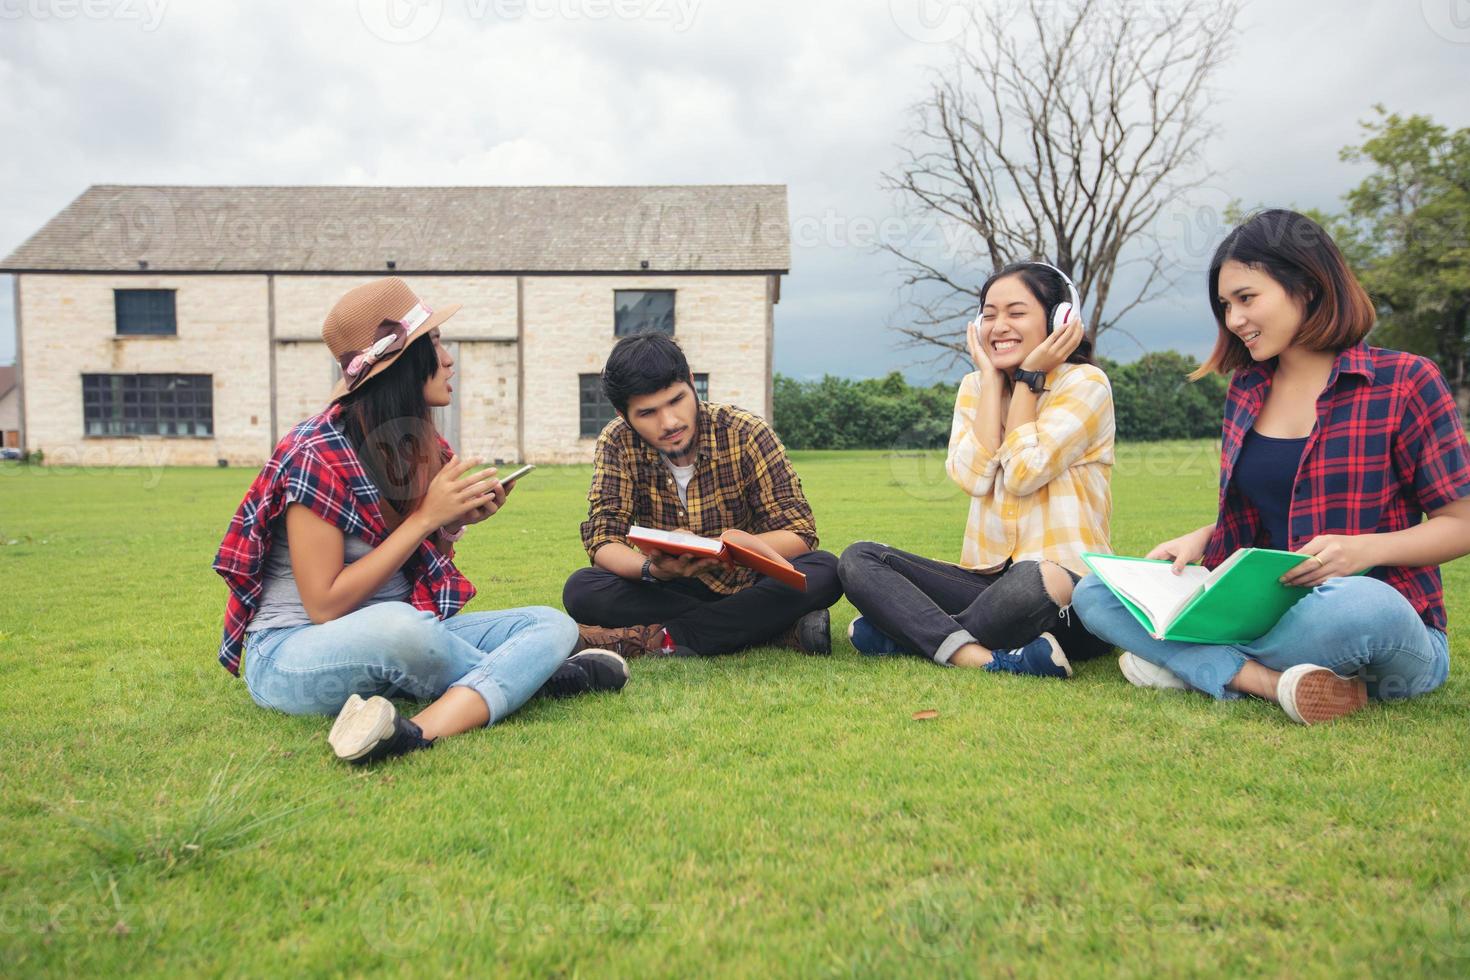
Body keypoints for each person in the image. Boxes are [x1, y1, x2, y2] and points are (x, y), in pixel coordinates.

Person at [1073, 209, 1470, 724]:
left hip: (1377, 623)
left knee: (1360, 605)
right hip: (1268, 607)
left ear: (1305, 286)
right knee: (1096, 592)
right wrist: (1204, 535)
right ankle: (1262, 681)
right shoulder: (1247, 390)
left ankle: (1188, 663)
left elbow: (1460, 525)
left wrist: (1365, 551)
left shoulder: (1406, 381)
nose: (1234, 320)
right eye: (1225, 305)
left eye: (1246, 298)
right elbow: (1272, 508)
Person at [214, 277, 627, 765]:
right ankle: (540, 681)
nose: (449, 359)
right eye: (434, 344)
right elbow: (325, 605)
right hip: (293, 655)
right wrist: (425, 518)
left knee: (552, 624)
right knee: (401, 628)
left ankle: (416, 730)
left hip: (409, 639)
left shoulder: (419, 446)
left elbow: (412, 563)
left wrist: (448, 525)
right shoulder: (316, 454)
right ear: (401, 365)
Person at [839, 261, 1116, 676]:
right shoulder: (975, 387)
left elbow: (1023, 472)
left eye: (1016, 313)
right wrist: (990, 381)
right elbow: (973, 477)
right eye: (989, 314)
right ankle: (984, 657)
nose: (998, 325)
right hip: (986, 583)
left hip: (1066, 596)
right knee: (859, 559)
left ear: (1061, 320)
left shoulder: (1085, 384)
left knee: (1031, 580)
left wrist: (1028, 381)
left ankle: (908, 634)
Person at [563, 332, 843, 657]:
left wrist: (721, 550)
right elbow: (604, 540)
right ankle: (775, 629)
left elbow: (799, 534)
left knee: (824, 570)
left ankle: (662, 638)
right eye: (647, 413)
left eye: (676, 400)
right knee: (582, 589)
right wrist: (652, 570)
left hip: (748, 580)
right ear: (623, 414)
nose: (669, 422)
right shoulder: (617, 441)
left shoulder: (746, 432)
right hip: (669, 585)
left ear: (692, 383)